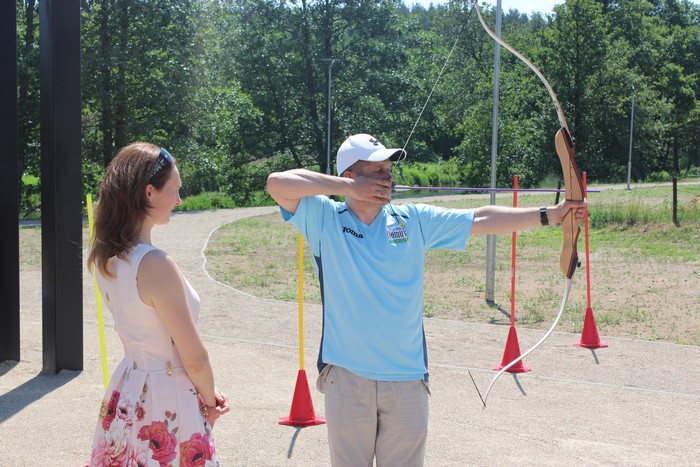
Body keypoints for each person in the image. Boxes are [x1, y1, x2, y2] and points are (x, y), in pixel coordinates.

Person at [266, 133, 586, 466]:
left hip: (406, 380)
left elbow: (480, 218)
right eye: (377, 171)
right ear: (350, 176)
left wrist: (552, 214)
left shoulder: (412, 219)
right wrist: (348, 191)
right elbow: (277, 183)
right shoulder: (325, 219)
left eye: (389, 170)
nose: (388, 178)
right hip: (347, 378)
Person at [87, 142, 229, 467]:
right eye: (174, 190)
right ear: (149, 193)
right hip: (167, 395)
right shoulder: (154, 264)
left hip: (129, 386)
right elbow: (194, 358)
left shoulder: (107, 259)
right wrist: (209, 401)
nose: (179, 200)